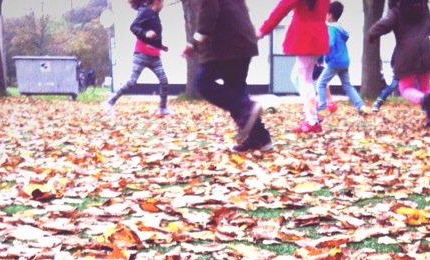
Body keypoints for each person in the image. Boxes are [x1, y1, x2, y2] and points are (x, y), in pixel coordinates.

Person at [182, 0, 272, 153]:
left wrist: (194, 43)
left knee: (203, 83)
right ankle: (261, 138)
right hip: (242, 42)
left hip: (227, 45)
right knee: (235, 93)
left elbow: (207, 15)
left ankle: (249, 108)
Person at [258, 0, 329, 134]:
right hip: (318, 34)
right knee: (296, 77)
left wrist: (262, 30)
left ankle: (312, 121)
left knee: (304, 79)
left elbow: (282, 8)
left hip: (305, 35)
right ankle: (312, 111)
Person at [368, 0, 430, 128]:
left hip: (407, 53)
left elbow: (385, 24)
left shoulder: (397, 10)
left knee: (405, 88)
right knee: (425, 86)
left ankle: (424, 100)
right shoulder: (423, 7)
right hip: (426, 49)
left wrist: (372, 33)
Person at [107, 0, 171, 116]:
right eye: (162, 2)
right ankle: (109, 102)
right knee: (132, 82)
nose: (163, 5)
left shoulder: (155, 15)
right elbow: (134, 27)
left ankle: (162, 108)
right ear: (157, 1)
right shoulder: (145, 11)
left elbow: (153, 37)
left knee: (164, 80)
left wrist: (161, 46)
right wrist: (145, 33)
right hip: (142, 54)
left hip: (155, 56)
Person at [316, 2, 366, 115]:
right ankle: (361, 106)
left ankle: (322, 108)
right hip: (344, 61)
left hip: (334, 62)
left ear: (330, 15)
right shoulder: (340, 29)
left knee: (320, 83)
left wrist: (323, 55)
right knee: (347, 86)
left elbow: (330, 44)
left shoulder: (332, 29)